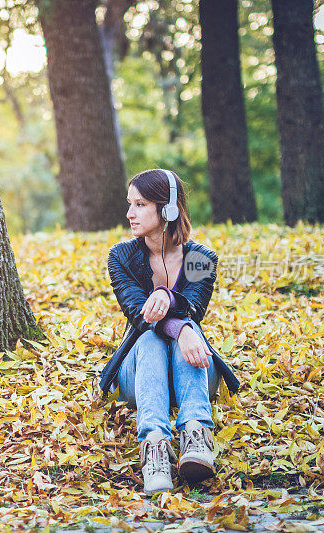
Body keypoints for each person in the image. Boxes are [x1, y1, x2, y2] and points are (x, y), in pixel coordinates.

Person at [98, 168, 240, 494]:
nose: (129, 213)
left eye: (140, 204)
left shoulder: (200, 258)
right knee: (150, 336)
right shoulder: (122, 256)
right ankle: (155, 446)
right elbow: (139, 315)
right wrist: (182, 328)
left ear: (168, 208)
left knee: (184, 331)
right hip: (141, 377)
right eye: (130, 203)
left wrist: (168, 298)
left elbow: (194, 305)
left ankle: (195, 435)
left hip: (191, 372)